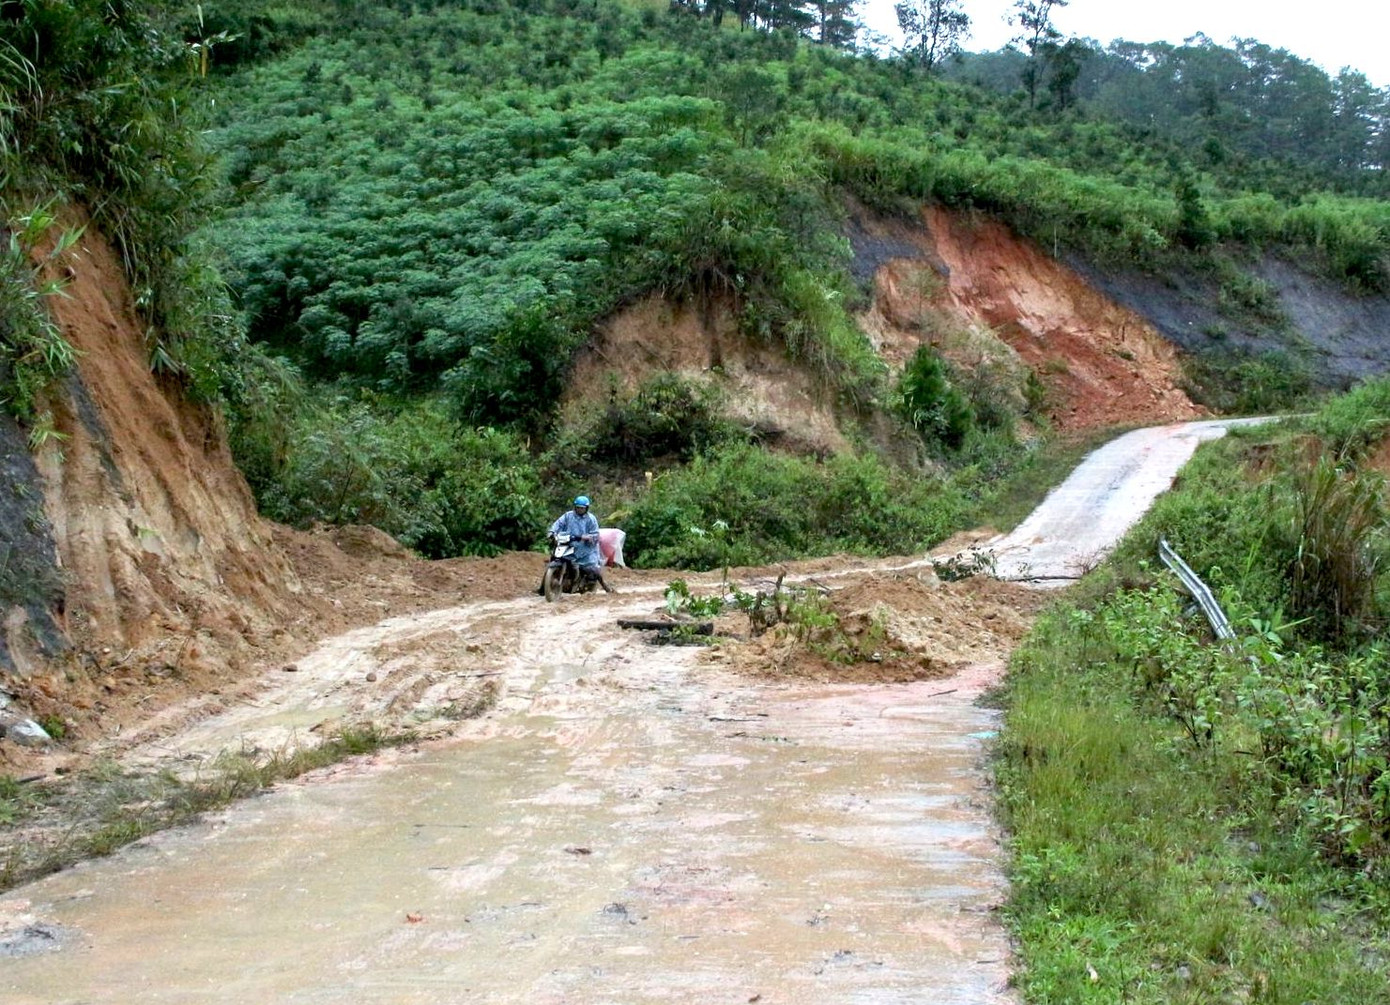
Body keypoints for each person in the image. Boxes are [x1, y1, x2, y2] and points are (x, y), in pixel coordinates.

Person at [544, 495, 614, 594]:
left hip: (586, 550)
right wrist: (551, 532)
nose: (580, 510)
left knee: (592, 570)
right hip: (568, 545)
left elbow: (595, 534)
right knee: (553, 560)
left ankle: (604, 586)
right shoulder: (568, 516)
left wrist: (589, 537)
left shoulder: (591, 519)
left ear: (586, 508)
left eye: (582, 508)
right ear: (575, 507)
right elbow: (558, 524)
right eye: (578, 507)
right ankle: (543, 588)